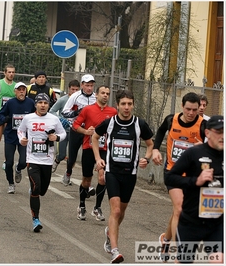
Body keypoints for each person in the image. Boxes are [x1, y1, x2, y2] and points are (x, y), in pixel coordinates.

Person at [91, 89, 154, 263]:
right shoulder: (109, 123)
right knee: (116, 210)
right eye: (123, 104)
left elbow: (150, 145)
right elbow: (94, 138)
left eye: (130, 104)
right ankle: (115, 250)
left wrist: (146, 159)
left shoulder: (139, 124)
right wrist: (98, 160)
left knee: (121, 212)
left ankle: (109, 232)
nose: (127, 107)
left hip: (130, 174)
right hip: (112, 172)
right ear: (117, 105)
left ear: (133, 105)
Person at [151, 92, 206, 262]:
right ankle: (179, 255)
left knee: (178, 211)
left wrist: (203, 145)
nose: (191, 113)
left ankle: (165, 240)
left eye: (195, 110)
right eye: (188, 109)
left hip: (193, 176)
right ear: (182, 106)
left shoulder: (204, 125)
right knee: (180, 209)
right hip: (173, 173)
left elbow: (216, 144)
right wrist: (154, 149)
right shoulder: (170, 120)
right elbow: (160, 132)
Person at [164, 115, 223, 263]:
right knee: (184, 261)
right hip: (191, 222)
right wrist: (196, 180)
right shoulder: (194, 154)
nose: (223, 136)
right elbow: (170, 178)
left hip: (217, 223)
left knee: (219, 260)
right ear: (208, 133)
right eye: (218, 132)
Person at [17, 93, 67, 232]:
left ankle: (34, 191)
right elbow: (20, 131)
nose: (43, 105)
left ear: (49, 105)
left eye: (45, 103)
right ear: (36, 105)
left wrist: (55, 137)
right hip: (32, 159)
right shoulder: (28, 118)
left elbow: (63, 134)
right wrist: (22, 139)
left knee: (42, 190)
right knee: (36, 188)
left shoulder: (54, 119)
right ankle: (36, 219)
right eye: (40, 103)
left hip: (47, 160)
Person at [72, 85, 117, 221]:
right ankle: (81, 205)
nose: (105, 96)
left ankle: (97, 208)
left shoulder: (113, 112)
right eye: (102, 93)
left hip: (105, 149)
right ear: (96, 95)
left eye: (107, 94)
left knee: (103, 178)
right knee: (87, 180)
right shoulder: (88, 110)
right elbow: (75, 125)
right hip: (89, 147)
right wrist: (86, 132)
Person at [0, 82, 36, 194]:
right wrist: (6, 119)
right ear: (15, 92)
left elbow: (36, 115)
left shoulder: (30, 103)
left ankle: (18, 169)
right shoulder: (10, 103)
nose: (21, 92)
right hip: (11, 135)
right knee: (9, 163)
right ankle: (11, 183)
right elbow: (0, 114)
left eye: (23, 90)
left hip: (24, 137)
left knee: (24, 161)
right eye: (19, 90)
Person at [61, 74, 97, 186]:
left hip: (89, 132)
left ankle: (86, 183)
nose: (89, 88)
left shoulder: (96, 97)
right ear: (82, 85)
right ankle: (68, 173)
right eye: (87, 85)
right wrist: (77, 113)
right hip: (76, 129)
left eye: (91, 85)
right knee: (72, 157)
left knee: (88, 158)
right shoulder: (75, 96)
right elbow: (64, 113)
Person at [49, 79, 80, 173]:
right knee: (62, 154)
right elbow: (52, 111)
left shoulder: (81, 101)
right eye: (72, 89)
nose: (74, 92)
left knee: (72, 156)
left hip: (76, 131)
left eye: (76, 90)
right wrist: (60, 119)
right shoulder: (63, 100)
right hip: (64, 131)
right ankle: (57, 160)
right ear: (68, 89)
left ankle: (68, 174)